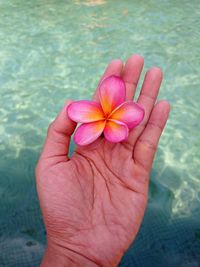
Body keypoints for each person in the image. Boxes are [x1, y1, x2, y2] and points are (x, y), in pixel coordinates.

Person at [35, 54, 170, 267]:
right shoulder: (95, 125)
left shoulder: (118, 123)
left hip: (113, 121)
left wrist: (73, 255)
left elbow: (120, 131)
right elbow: (78, 121)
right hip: (102, 121)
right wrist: (72, 252)